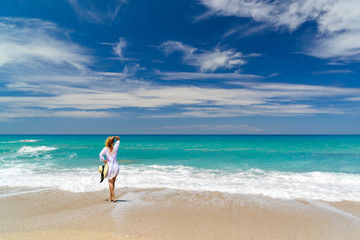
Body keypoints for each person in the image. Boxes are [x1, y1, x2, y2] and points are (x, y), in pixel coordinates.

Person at [99, 136, 120, 202]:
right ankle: (110, 198)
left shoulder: (105, 149)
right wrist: (114, 136)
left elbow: (100, 155)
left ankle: (113, 197)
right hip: (116, 166)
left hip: (110, 166)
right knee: (113, 182)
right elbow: (118, 138)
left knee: (110, 182)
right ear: (113, 142)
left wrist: (104, 160)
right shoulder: (115, 147)